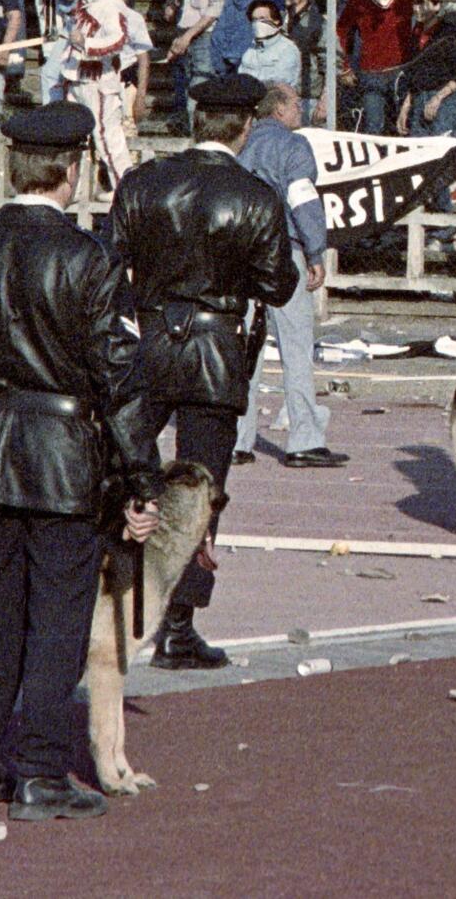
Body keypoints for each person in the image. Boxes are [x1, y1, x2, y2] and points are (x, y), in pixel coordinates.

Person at [0, 103, 157, 823]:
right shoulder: (90, 258)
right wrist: (141, 479)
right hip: (64, 453)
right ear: (73, 167)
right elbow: (119, 378)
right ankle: (41, 769)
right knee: (58, 619)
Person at [107, 75, 300, 670]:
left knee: (122, 468)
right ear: (245, 128)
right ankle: (179, 625)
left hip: (149, 336)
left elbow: (110, 266)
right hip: (216, 345)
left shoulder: (143, 183)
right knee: (201, 489)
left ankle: (108, 598)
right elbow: (279, 284)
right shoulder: (254, 195)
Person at [238, 81, 346, 467]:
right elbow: (302, 199)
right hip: (284, 250)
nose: (302, 109)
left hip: (242, 252)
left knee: (244, 347)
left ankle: (238, 439)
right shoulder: (293, 146)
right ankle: (304, 439)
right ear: (279, 110)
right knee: (295, 345)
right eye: (296, 103)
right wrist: (315, 249)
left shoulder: (242, 144)